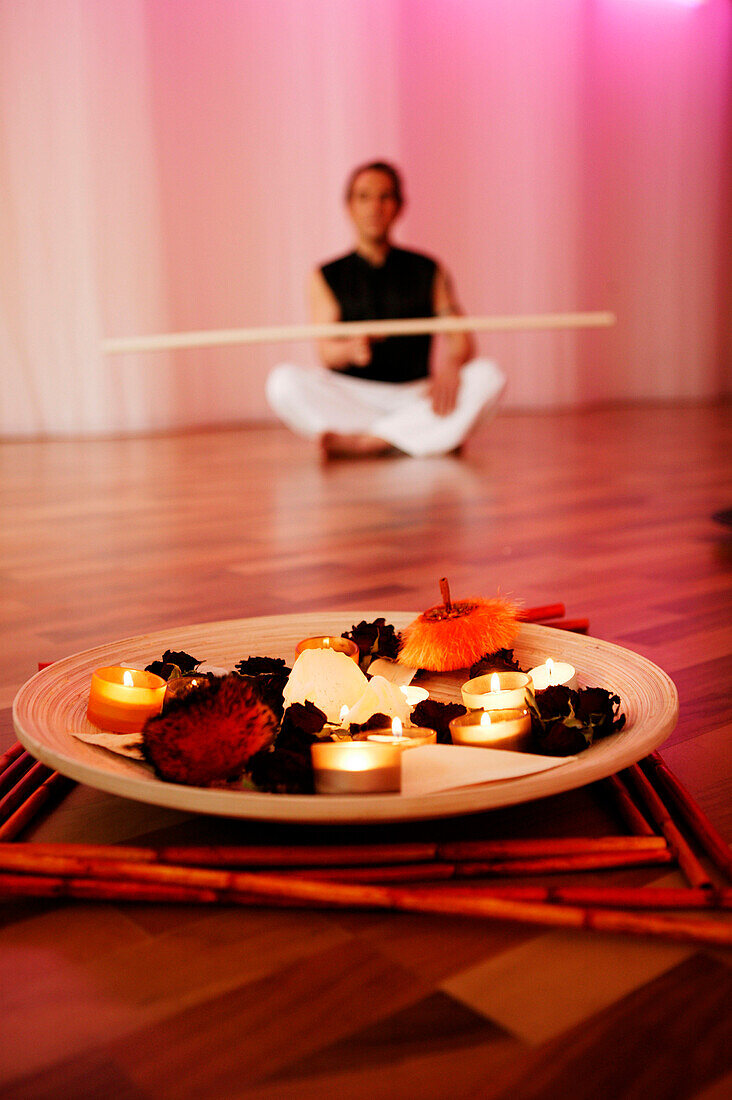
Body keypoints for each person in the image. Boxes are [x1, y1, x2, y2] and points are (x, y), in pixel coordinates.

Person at [266, 161, 505, 458]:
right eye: (364, 197)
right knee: (283, 382)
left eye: (385, 197)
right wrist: (350, 350)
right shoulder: (325, 275)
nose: (374, 207)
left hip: (416, 394)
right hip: (352, 396)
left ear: (399, 206)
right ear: (349, 207)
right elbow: (326, 352)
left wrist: (451, 366)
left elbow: (460, 339)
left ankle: (372, 442)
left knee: (489, 377)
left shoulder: (428, 269)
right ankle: (418, 436)